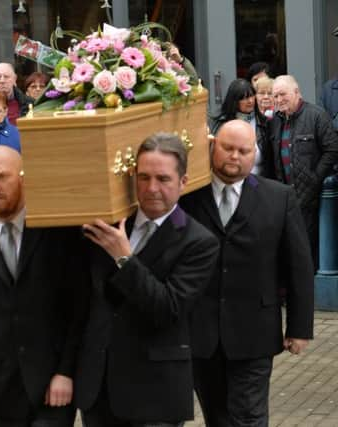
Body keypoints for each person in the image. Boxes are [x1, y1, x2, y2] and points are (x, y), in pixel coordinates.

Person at [75, 133, 219, 426]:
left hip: (155, 393)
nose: (152, 188)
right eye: (143, 177)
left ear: (183, 182)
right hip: (100, 390)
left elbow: (168, 309)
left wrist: (124, 258)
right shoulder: (107, 226)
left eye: (163, 179)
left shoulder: (199, 242)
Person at [180, 119, 314, 427]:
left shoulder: (279, 198)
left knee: (249, 417)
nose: (235, 156)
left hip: (255, 332)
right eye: (228, 148)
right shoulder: (187, 196)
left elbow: (299, 266)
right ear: (212, 146)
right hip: (201, 332)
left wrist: (300, 327)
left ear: (254, 155)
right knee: (217, 416)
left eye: (243, 150)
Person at [0, 145, 88, 427]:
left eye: (1, 177)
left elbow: (78, 309)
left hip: (53, 385)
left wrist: (66, 372)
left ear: (24, 178)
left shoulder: (57, 233)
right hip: (1, 389)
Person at [269, 74, 338, 267]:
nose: (279, 100)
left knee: (308, 253)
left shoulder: (316, 115)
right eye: (275, 96)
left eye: (283, 94)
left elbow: (332, 149)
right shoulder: (275, 122)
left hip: (310, 199)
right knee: (288, 252)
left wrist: (315, 178)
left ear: (297, 92)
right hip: (285, 199)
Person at [210, 79, 271, 177]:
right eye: (244, 98)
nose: (250, 101)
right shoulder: (221, 125)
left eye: (251, 95)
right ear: (234, 101)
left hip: (259, 182)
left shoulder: (265, 123)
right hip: (230, 180)